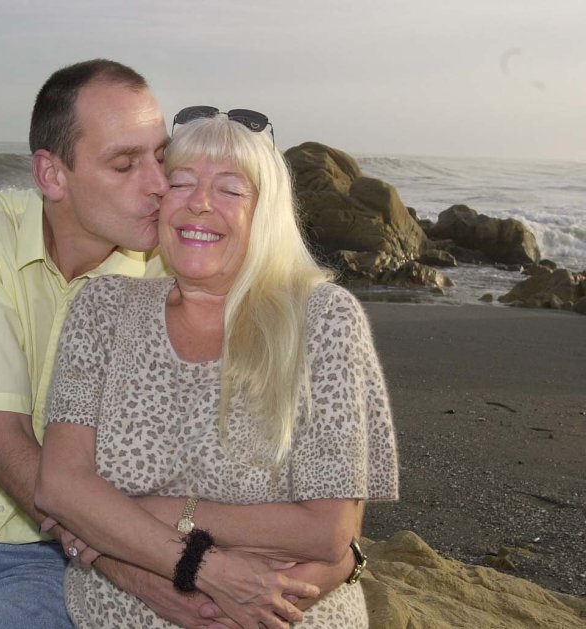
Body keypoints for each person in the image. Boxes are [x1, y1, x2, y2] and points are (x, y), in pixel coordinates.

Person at [0, 61, 321, 628]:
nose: (157, 183)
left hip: (71, 563)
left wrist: (339, 557)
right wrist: (154, 580)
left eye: (160, 156)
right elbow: (4, 442)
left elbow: (287, 481)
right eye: (125, 164)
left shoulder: (185, 275)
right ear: (52, 177)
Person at [35, 109, 399, 628]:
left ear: (265, 214)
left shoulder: (322, 319)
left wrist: (160, 512)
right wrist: (210, 569)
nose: (200, 202)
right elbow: (60, 488)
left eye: (231, 190)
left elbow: (328, 533)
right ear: (159, 205)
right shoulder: (102, 308)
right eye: (180, 183)